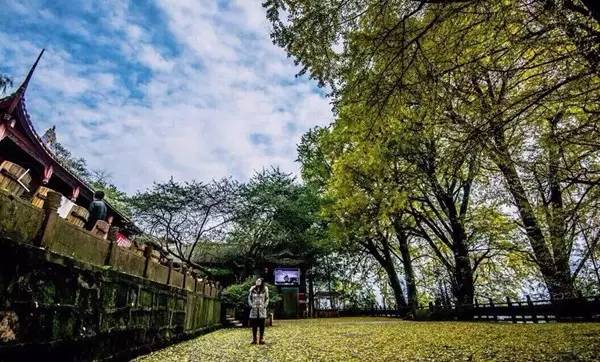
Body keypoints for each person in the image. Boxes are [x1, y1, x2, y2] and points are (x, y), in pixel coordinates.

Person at [248, 277, 269, 345]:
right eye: (257, 280)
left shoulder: (265, 289)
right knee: (254, 325)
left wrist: (265, 306)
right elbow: (249, 298)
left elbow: (267, 298)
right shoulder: (252, 288)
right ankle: (254, 339)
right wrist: (251, 305)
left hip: (262, 309)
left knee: (261, 325)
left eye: (259, 280)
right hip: (254, 309)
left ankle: (261, 339)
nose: (257, 281)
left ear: (262, 282)